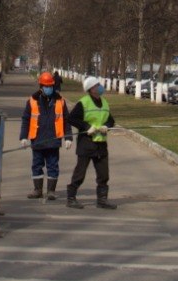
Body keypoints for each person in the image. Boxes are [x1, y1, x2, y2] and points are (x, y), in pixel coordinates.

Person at [65, 75, 117, 210]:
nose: (100, 87)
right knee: (80, 174)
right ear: (91, 89)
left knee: (104, 174)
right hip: (86, 144)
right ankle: (71, 198)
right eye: (97, 85)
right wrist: (87, 127)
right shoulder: (83, 103)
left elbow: (111, 120)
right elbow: (71, 118)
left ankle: (102, 200)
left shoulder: (104, 102)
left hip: (101, 144)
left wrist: (107, 125)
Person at [18, 71, 71, 200]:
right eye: (46, 86)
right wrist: (23, 137)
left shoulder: (60, 101)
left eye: (50, 86)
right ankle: (38, 190)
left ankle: (51, 191)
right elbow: (26, 119)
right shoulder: (32, 101)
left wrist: (68, 138)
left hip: (54, 140)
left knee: (53, 166)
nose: (49, 88)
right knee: (37, 165)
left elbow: (66, 120)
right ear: (41, 86)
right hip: (37, 140)